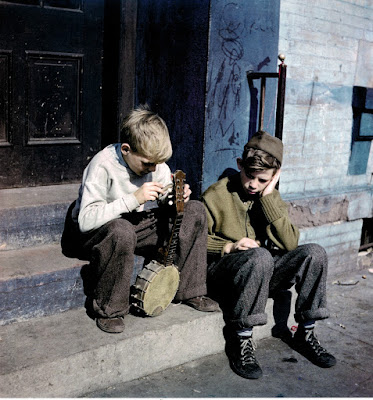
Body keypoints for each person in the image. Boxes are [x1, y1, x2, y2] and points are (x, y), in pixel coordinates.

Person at [61, 104, 219, 334]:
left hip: (131, 224)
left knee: (194, 211)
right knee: (121, 230)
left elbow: (163, 195)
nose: (153, 169)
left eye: (157, 164)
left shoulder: (154, 164)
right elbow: (86, 220)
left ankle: (191, 290)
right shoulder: (102, 165)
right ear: (126, 149)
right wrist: (134, 198)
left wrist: (174, 198)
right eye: (147, 163)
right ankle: (110, 309)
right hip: (91, 234)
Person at [201, 131, 336, 379]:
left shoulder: (268, 196)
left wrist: (270, 197)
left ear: (275, 176)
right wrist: (228, 246)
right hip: (226, 275)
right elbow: (197, 242)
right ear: (240, 165)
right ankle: (241, 340)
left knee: (314, 253)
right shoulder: (215, 195)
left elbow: (290, 243)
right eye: (249, 176)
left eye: (262, 180)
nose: (253, 184)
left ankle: (306, 333)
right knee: (260, 256)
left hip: (262, 272)